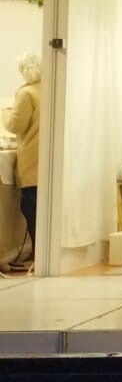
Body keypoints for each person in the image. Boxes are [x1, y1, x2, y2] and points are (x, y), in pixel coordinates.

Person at [4, 52, 41, 273]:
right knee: (41, 207)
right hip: (44, 156)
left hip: (31, 157)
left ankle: (38, 255)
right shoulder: (47, 88)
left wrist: (7, 114)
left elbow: (15, 125)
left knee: (30, 206)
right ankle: (41, 253)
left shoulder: (26, 93)